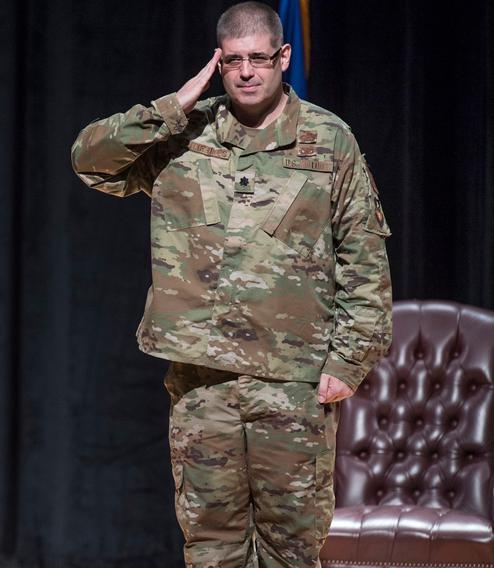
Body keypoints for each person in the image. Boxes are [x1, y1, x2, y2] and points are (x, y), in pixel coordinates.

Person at [70, 2, 392, 567]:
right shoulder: (184, 133)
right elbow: (90, 161)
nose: (247, 72)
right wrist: (170, 107)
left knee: (291, 549)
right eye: (234, 60)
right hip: (202, 382)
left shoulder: (328, 140)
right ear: (219, 62)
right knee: (212, 547)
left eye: (259, 59)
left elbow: (364, 259)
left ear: (282, 57)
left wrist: (348, 362)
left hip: (292, 383)